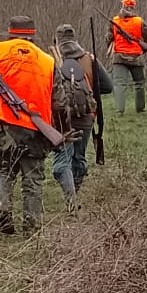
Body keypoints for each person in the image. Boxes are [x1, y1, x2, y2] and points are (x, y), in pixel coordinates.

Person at [0, 17, 68, 235]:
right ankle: (31, 229)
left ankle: (4, 208)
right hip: (35, 130)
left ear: (10, 33)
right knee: (32, 179)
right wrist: (57, 129)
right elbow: (59, 103)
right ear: (32, 35)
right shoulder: (47, 61)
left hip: (2, 125)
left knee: (3, 170)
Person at [51, 26, 112, 202]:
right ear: (75, 39)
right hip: (86, 117)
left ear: (56, 40)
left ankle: (70, 197)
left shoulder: (51, 59)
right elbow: (108, 86)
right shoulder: (89, 58)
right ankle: (75, 191)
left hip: (61, 118)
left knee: (63, 159)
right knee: (78, 157)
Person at [108, 0, 147, 116]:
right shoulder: (139, 21)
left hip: (119, 57)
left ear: (123, 6)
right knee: (139, 84)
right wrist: (144, 48)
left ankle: (119, 111)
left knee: (120, 84)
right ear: (133, 7)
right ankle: (140, 109)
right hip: (136, 57)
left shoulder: (114, 21)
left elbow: (108, 38)